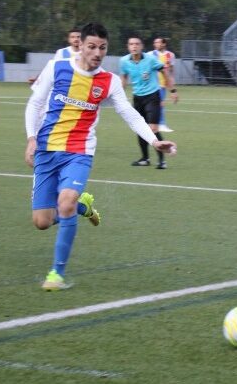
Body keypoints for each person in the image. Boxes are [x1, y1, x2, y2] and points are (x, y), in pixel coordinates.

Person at [24, 23, 177, 291]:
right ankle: (82, 207)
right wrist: (31, 138)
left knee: (65, 203)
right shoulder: (57, 67)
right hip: (47, 149)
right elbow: (35, 103)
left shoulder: (109, 81)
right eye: (92, 46)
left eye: (103, 48)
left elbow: (129, 113)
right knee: (42, 222)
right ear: (80, 45)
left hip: (79, 151)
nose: (97, 52)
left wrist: (155, 140)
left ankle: (57, 274)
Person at [120, 35, 169, 169]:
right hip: (138, 98)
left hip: (153, 96)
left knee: (153, 129)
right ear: (128, 47)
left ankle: (162, 160)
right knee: (140, 128)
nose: (134, 46)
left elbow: (163, 70)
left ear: (141, 46)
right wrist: (120, 95)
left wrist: (173, 89)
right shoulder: (124, 61)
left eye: (137, 44)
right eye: (131, 44)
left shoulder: (151, 59)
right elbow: (124, 77)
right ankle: (145, 159)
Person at [152, 37, 179, 132]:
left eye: (158, 42)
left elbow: (170, 71)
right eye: (155, 42)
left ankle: (159, 124)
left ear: (164, 44)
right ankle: (161, 124)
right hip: (153, 83)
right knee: (160, 104)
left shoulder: (170, 55)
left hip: (164, 83)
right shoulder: (151, 54)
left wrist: (172, 85)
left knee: (160, 104)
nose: (155, 44)